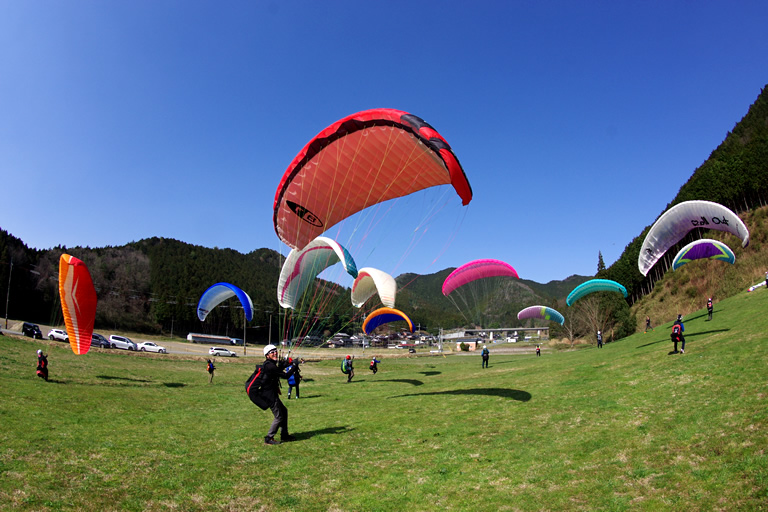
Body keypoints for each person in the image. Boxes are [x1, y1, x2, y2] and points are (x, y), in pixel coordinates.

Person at [261, 344, 296, 445]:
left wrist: (284, 365)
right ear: (267, 355)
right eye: (272, 352)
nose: (275, 353)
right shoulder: (269, 366)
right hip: (269, 395)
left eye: (275, 351)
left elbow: (277, 371)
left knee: (284, 411)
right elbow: (285, 375)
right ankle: (269, 437)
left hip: (271, 393)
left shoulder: (270, 364)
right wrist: (294, 366)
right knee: (279, 416)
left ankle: (284, 435)